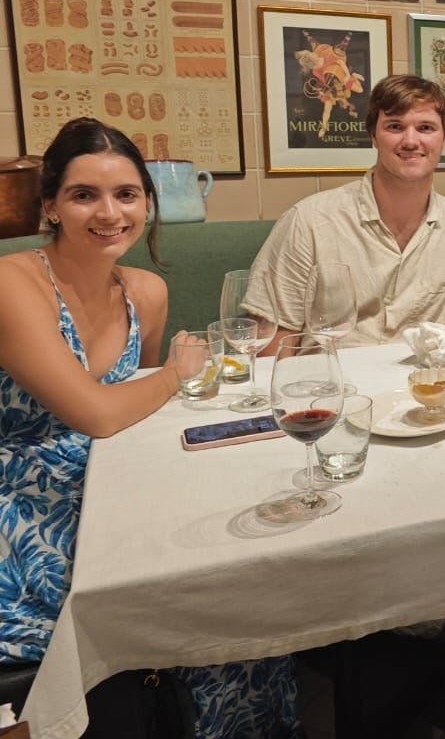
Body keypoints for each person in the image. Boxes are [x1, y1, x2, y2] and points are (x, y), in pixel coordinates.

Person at [0, 118, 299, 737]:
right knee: (166, 598)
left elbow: (134, 417)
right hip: (24, 497)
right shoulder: (10, 284)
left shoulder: (147, 291)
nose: (109, 213)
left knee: (244, 577)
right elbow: (99, 410)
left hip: (116, 476)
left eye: (127, 194)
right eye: (85, 195)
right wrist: (178, 374)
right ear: (51, 205)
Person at [247, 74, 445, 344]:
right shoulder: (309, 221)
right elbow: (274, 338)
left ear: (444, 137)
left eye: (425, 128)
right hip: (328, 381)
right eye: (395, 126)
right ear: (373, 135)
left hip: (424, 383)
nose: (410, 141)